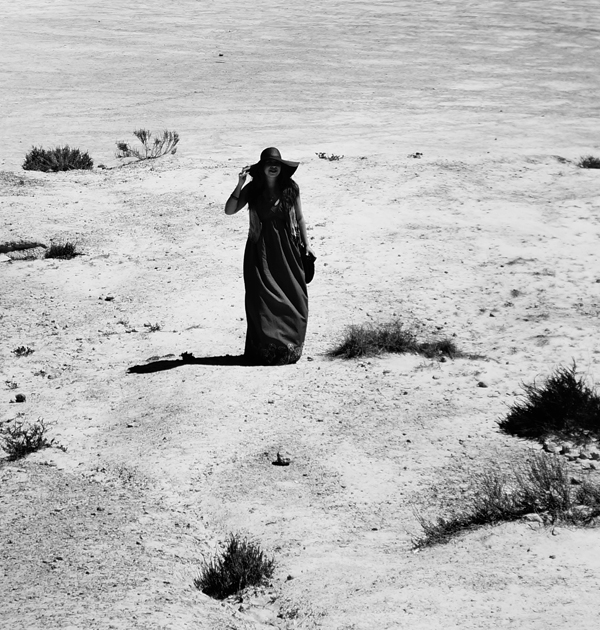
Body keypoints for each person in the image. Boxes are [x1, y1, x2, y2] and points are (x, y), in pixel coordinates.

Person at [225, 147, 316, 365]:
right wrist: (239, 184)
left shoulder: (291, 188)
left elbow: (300, 218)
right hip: (260, 251)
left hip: (288, 249)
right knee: (261, 298)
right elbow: (229, 210)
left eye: (276, 164)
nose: (273, 167)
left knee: (294, 295)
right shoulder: (253, 189)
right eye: (269, 164)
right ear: (262, 168)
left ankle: (289, 347)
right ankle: (265, 349)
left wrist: (307, 244)